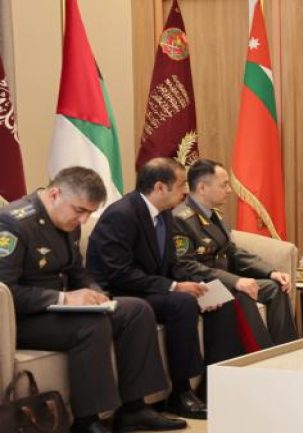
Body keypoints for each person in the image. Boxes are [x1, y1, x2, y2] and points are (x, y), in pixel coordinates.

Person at [0, 167, 186, 433]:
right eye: (80, 211)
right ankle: (88, 421)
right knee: (90, 325)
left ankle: (134, 409)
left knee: (136, 310)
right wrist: (64, 298)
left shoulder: (69, 221)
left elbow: (77, 271)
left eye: (89, 212)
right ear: (54, 194)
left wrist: (94, 291)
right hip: (23, 319)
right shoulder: (13, 223)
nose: (84, 220)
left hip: (59, 310)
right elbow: (6, 291)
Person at [86, 158, 243, 420]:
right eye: (181, 185)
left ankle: (215, 387)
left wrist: (199, 288)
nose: (186, 191)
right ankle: (181, 392)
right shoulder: (121, 215)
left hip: (149, 288)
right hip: (120, 292)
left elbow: (172, 263)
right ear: (160, 187)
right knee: (181, 303)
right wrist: (173, 287)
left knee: (215, 299)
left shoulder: (165, 213)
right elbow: (120, 273)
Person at [172, 159, 297, 348]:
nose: (229, 190)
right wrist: (235, 281)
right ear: (202, 187)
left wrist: (271, 272)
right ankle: (260, 356)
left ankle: (286, 350)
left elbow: (232, 251)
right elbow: (186, 267)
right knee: (242, 293)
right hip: (201, 287)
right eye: (224, 185)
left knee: (275, 287)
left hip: (225, 282)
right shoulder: (181, 219)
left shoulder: (215, 215)